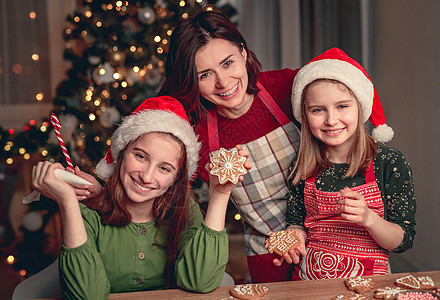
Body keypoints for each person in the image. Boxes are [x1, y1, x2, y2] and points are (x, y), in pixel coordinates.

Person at [74, 9, 302, 283]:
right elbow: (153, 185)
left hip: (329, 237)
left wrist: (372, 131)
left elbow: (343, 71)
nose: (223, 82)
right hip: (269, 253)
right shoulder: (190, 129)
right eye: (205, 74)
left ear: (243, 52)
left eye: (228, 63)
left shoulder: (289, 87)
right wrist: (102, 193)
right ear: (191, 80)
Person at [31, 96, 251, 299]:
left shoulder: (184, 212)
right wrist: (68, 201)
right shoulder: (89, 215)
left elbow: (200, 282)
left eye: (164, 168)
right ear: (120, 155)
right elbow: (87, 295)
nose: (146, 176)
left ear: (176, 178)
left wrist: (220, 195)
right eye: (140, 156)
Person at [275, 48, 416, 280]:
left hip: (369, 284)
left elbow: (403, 241)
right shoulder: (301, 166)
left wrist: (369, 219)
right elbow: (296, 223)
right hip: (310, 284)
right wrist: (294, 237)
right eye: (318, 110)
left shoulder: (388, 163)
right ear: (305, 115)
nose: (331, 120)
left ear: (360, 107)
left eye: (342, 106)